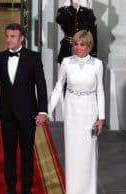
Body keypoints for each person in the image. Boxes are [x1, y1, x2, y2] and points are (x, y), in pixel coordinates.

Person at [48, 30, 105, 194]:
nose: (77, 48)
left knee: (88, 153)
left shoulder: (97, 64)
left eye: (82, 44)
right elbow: (59, 86)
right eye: (75, 44)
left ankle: (88, 190)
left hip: (89, 111)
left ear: (88, 46)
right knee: (72, 153)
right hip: (72, 110)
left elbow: (100, 91)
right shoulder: (66, 62)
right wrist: (47, 110)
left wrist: (101, 118)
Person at [0, 23, 48, 194]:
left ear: (21, 38)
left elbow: (41, 84)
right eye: (7, 36)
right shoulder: (0, 57)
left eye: (13, 36)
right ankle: (10, 188)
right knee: (9, 153)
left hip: (28, 112)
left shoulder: (33, 57)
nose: (8, 39)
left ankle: (26, 188)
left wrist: (43, 110)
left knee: (26, 153)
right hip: (7, 113)